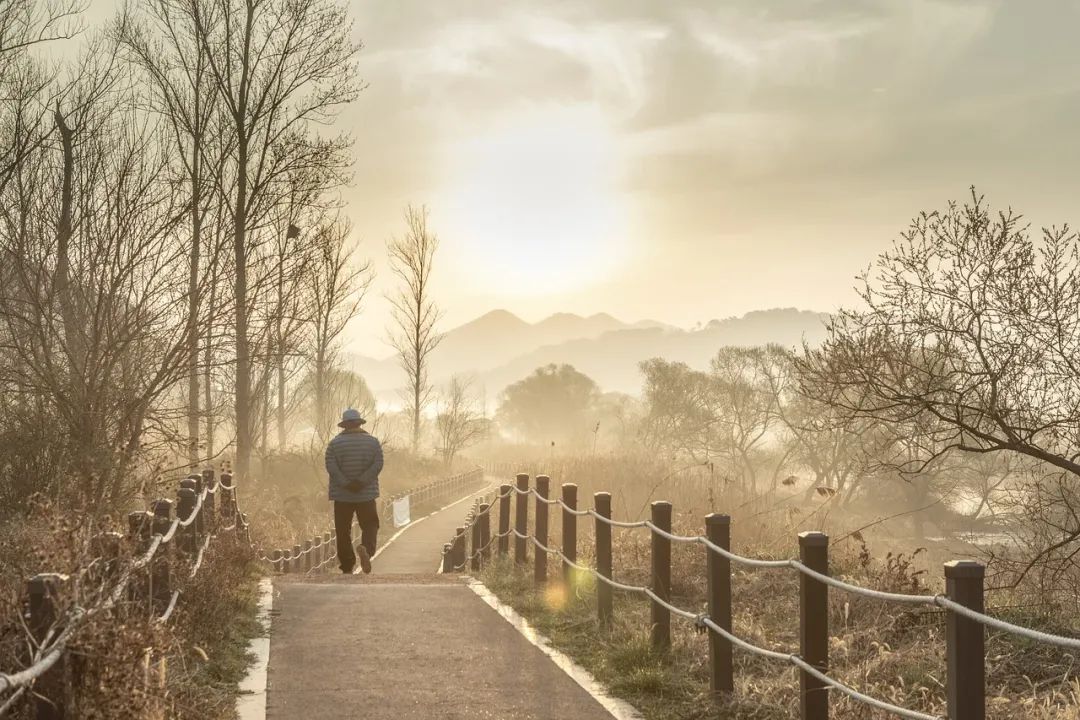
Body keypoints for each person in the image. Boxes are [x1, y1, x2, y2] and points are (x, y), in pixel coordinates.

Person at [325, 409, 383, 574]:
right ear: (359, 423)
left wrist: (346, 483)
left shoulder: (334, 444)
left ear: (344, 425)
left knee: (343, 530)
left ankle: (347, 565)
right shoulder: (373, 442)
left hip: (342, 495)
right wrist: (361, 482)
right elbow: (378, 465)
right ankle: (366, 549)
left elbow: (331, 467)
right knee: (370, 524)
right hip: (366, 494)